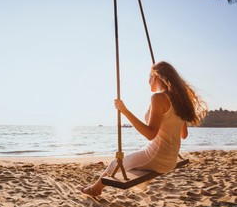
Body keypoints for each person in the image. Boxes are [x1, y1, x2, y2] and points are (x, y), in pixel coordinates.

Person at [82, 61, 207, 196]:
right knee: (129, 161)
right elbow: (184, 134)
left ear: (155, 77)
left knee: (114, 165)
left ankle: (94, 189)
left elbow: (150, 134)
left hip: (156, 158)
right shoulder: (179, 100)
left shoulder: (158, 98)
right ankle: (95, 189)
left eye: (149, 76)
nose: (147, 80)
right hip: (171, 159)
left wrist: (124, 111)